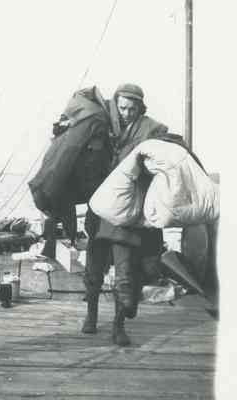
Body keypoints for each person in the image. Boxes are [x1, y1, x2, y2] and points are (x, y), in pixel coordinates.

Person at [82, 83, 169, 346]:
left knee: (125, 273)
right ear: (115, 105)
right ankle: (91, 316)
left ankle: (118, 325)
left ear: (140, 108)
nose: (127, 113)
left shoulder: (149, 131)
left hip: (128, 215)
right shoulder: (103, 128)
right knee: (94, 270)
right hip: (101, 211)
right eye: (122, 108)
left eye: (132, 109)